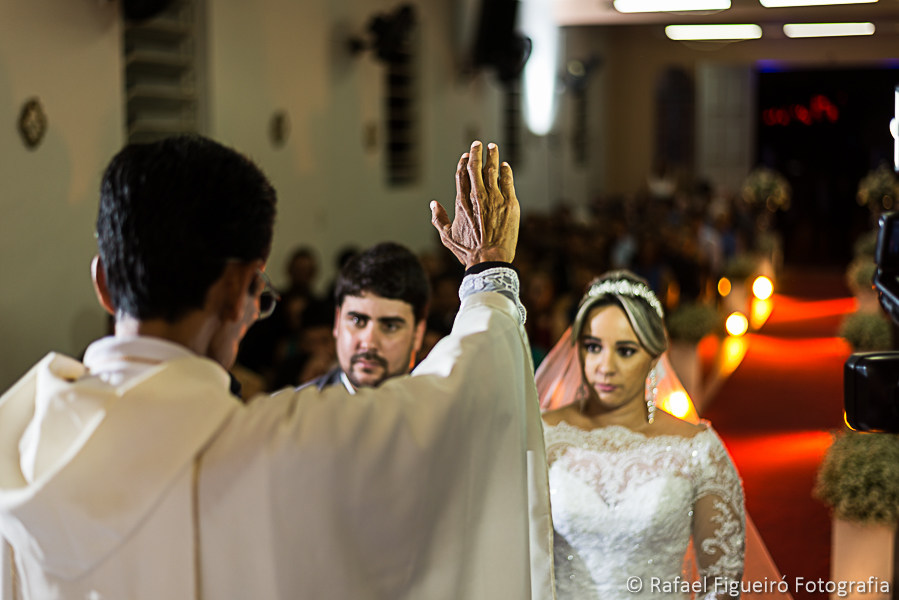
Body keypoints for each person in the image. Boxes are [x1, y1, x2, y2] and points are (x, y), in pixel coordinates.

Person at [0, 137, 554, 600]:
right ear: (240, 289)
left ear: (102, 282)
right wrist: (489, 274)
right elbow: (465, 400)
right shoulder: (281, 444)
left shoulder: (16, 440)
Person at [537, 270, 745, 600]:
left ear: (654, 355)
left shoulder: (697, 449)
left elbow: (722, 581)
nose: (605, 366)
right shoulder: (542, 435)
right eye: (593, 347)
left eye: (625, 350)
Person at [306, 242, 430, 391]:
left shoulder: (444, 412)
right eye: (357, 321)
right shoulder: (295, 412)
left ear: (418, 333)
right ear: (337, 321)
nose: (369, 343)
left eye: (390, 326)